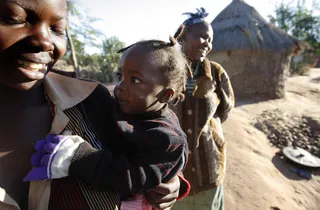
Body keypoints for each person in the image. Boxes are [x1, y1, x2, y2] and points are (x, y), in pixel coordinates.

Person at [0, 0, 189, 209]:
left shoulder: (91, 100)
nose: (44, 40)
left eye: (57, 29)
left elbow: (150, 159)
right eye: (14, 19)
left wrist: (171, 181)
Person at [170, 8, 235, 210]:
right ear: (182, 36)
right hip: (174, 170)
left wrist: (210, 131)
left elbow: (225, 109)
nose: (207, 43)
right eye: (202, 36)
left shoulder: (215, 72)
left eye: (210, 39)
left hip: (209, 164)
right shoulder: (166, 72)